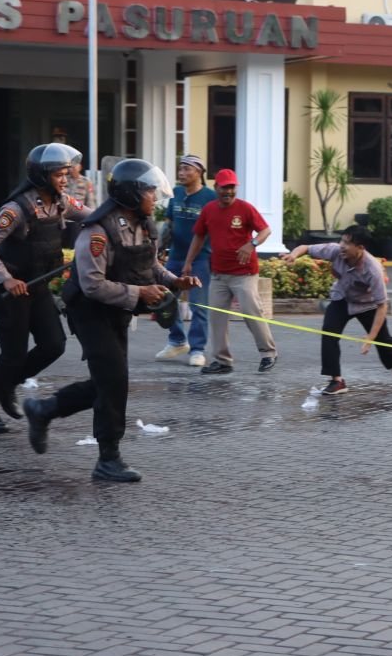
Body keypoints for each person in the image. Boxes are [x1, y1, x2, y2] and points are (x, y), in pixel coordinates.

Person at [22, 159, 200, 482]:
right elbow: (92, 284)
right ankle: (108, 458)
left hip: (119, 309)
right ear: (131, 193)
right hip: (89, 311)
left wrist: (176, 281)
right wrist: (140, 293)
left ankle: (44, 409)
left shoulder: (147, 225)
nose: (154, 197)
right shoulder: (97, 231)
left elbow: (151, 266)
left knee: (108, 380)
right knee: (115, 381)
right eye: (149, 191)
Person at [0, 143, 89, 433]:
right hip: (11, 290)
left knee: (54, 345)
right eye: (59, 174)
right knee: (13, 353)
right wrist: (5, 278)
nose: (65, 179)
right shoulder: (17, 208)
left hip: (39, 287)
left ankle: (8, 384)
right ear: (41, 176)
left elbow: (92, 215)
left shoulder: (61, 202)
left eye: (66, 173)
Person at [282, 225, 392, 394]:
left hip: (368, 304)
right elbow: (306, 248)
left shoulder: (372, 270)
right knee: (329, 333)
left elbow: (382, 305)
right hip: (342, 299)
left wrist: (370, 337)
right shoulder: (335, 251)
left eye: (348, 243)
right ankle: (336, 380)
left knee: (384, 341)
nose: (342, 246)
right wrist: (293, 255)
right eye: (342, 240)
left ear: (360, 248)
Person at [183, 169, 278, 375]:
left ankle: (268, 353)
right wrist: (188, 262)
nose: (228, 191)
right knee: (216, 317)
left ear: (236, 188)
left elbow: (265, 230)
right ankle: (223, 361)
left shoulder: (245, 208)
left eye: (231, 187)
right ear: (216, 187)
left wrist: (251, 244)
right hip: (218, 274)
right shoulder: (209, 210)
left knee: (250, 312)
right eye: (224, 187)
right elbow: (199, 237)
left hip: (244, 274)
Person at [156, 155, 216, 368]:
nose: (181, 173)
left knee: (198, 305)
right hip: (175, 257)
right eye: (180, 169)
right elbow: (169, 225)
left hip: (201, 259)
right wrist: (159, 249)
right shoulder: (176, 192)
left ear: (199, 172)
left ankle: (198, 349)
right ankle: (178, 340)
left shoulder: (210, 197)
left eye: (186, 169)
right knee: (164, 299)